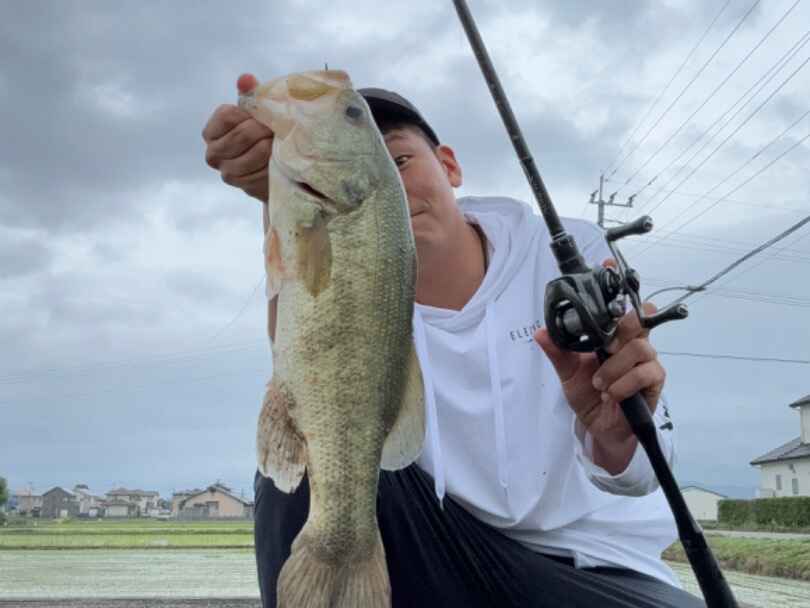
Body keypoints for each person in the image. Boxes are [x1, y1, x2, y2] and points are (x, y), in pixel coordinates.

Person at [202, 78, 706, 607]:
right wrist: (274, 191)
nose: (385, 184)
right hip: (434, 540)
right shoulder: (325, 263)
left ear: (449, 166)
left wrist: (618, 434)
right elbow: (298, 362)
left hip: (588, 563)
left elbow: (643, 475)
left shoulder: (571, 250)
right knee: (316, 452)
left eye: (398, 161)